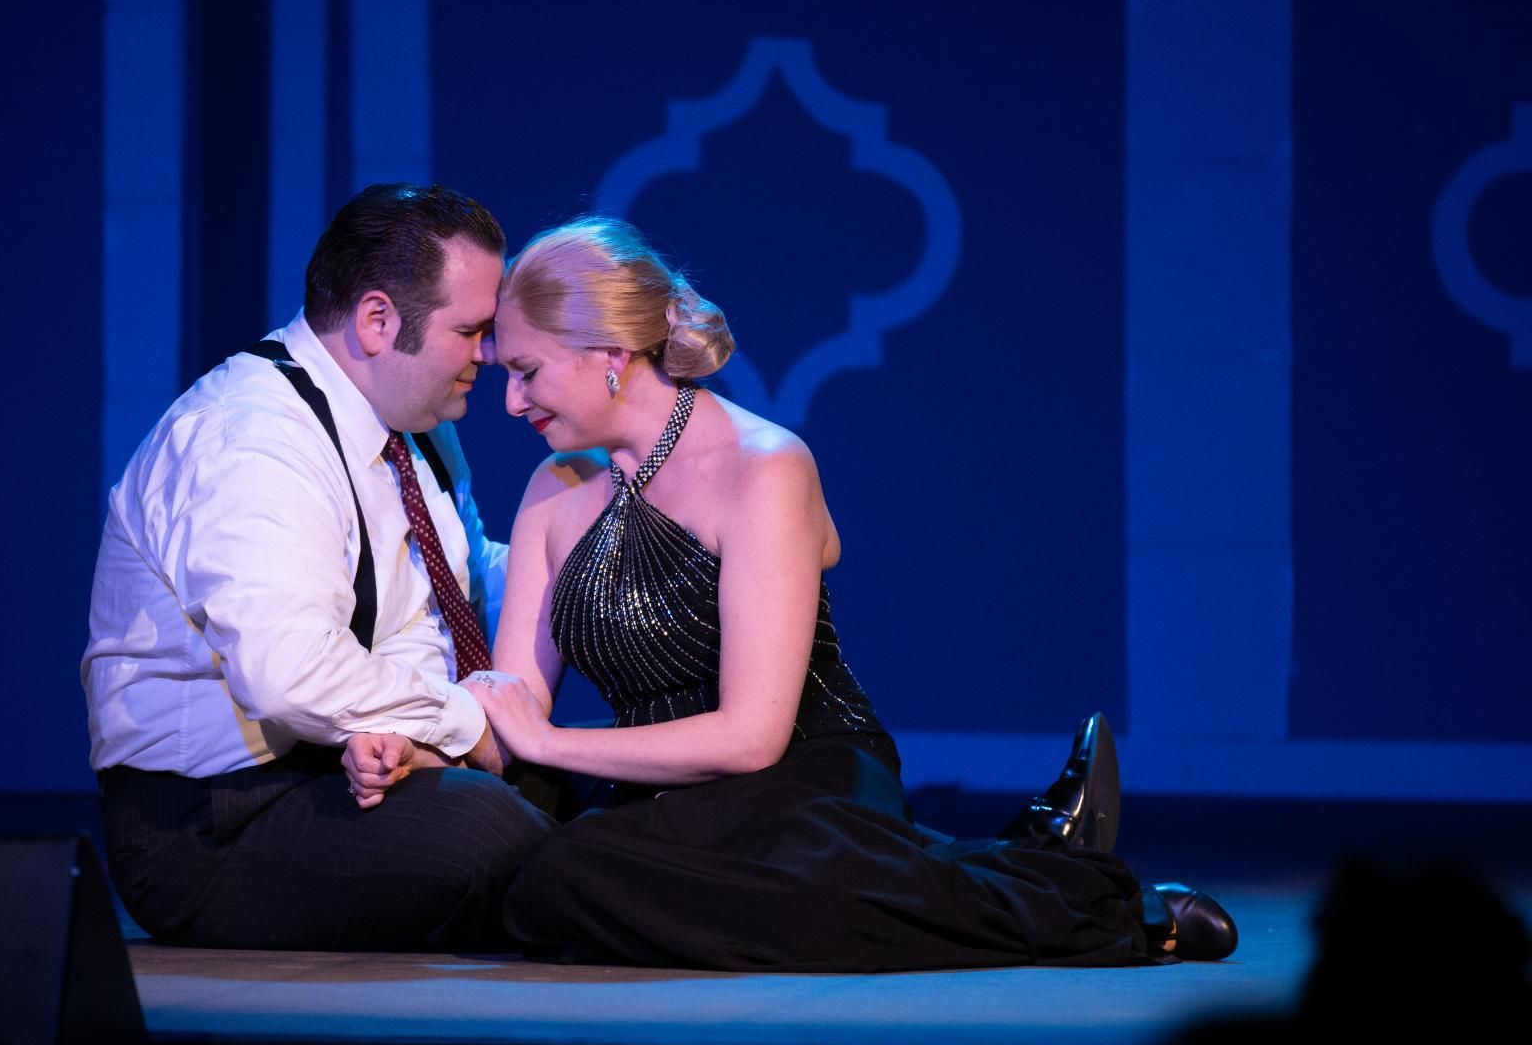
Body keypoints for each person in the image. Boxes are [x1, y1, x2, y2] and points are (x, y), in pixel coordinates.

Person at [351, 215, 1236, 971]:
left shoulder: (763, 465)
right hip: (660, 800)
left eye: (527, 371)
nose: (509, 402)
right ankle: (1001, 858)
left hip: (804, 777)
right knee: (551, 878)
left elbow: (752, 736)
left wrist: (550, 741)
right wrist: (417, 746)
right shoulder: (555, 487)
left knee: (714, 883)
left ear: (610, 355)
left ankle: (1096, 903)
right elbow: (513, 707)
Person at [82, 184, 553, 951]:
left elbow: (454, 586)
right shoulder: (250, 440)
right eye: (470, 331)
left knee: (599, 769)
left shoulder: (416, 420)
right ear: (377, 320)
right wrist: (467, 726)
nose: (489, 355)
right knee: (490, 828)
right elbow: (290, 671)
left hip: (347, 765)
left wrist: (591, 575)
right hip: (215, 820)